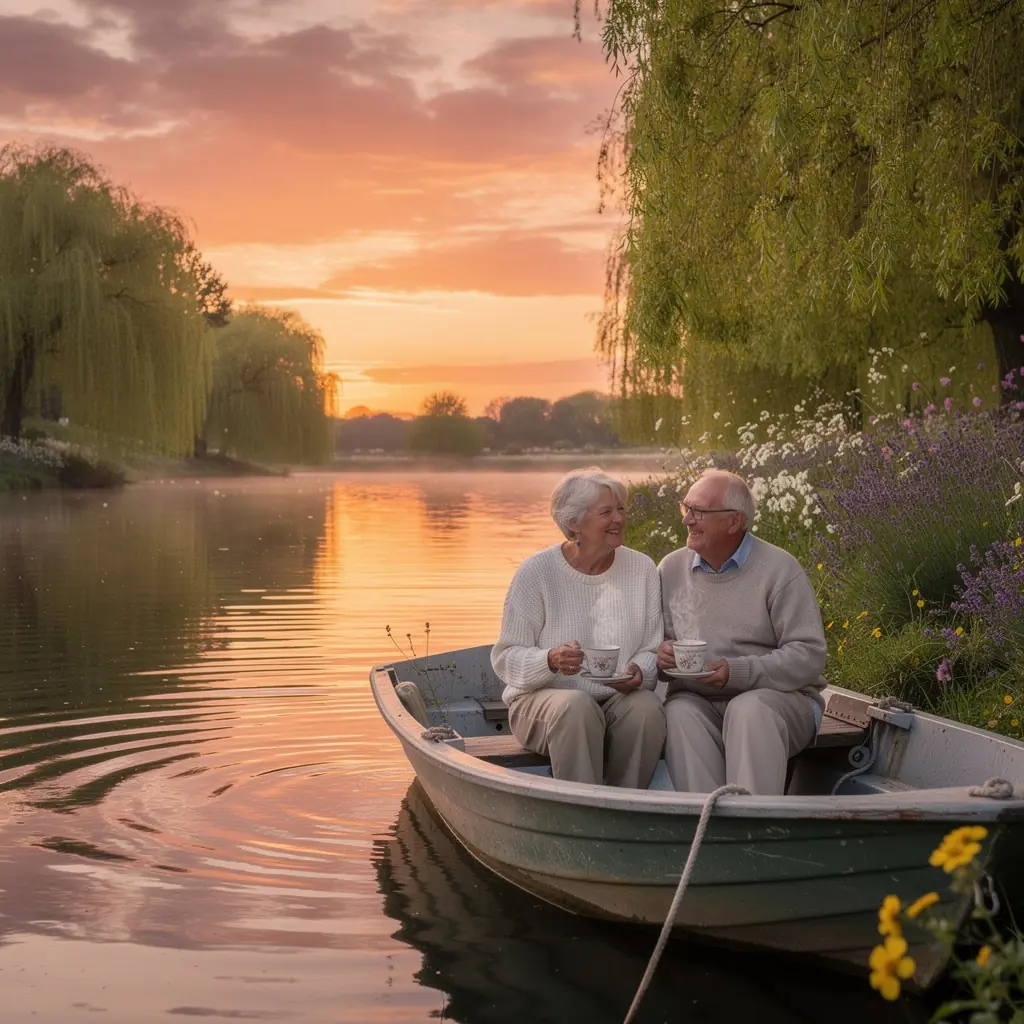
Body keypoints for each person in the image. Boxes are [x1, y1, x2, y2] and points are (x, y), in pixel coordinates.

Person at [491, 467, 666, 788]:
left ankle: (628, 806)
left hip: (615, 699)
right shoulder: (537, 572)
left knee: (647, 707)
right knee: (577, 707)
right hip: (541, 704)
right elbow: (506, 659)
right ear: (574, 524)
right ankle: (583, 809)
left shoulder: (641, 568)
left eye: (621, 509)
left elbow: (651, 648)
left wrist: (640, 672)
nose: (619, 519)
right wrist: (549, 660)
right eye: (606, 512)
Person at [656, 468, 826, 796]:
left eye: (699, 512)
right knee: (678, 713)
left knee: (748, 710)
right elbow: (657, 644)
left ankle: (752, 827)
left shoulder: (780, 569)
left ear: (734, 522)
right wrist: (660, 655)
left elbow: (809, 656)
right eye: (686, 508)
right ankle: (707, 827)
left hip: (780, 701)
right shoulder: (670, 569)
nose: (687, 520)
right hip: (698, 699)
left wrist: (738, 672)